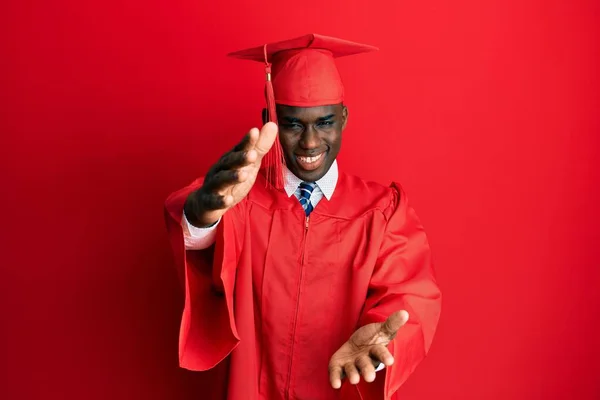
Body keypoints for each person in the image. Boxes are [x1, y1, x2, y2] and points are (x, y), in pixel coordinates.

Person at [164, 33, 441, 400]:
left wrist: (376, 348)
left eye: (324, 122)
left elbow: (410, 297)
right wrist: (202, 214)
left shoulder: (381, 212)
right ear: (270, 120)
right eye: (293, 125)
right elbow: (204, 255)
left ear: (343, 118)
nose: (310, 143)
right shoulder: (240, 197)